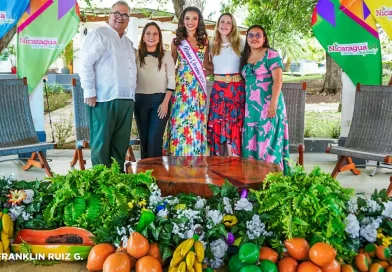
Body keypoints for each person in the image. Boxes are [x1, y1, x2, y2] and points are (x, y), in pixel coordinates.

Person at [79, 0, 136, 170]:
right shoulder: (99, 34)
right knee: (101, 144)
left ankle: (116, 183)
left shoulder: (128, 42)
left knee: (120, 145)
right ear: (109, 15)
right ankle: (100, 184)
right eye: (116, 13)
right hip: (103, 99)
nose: (120, 18)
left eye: (125, 15)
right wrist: (89, 92)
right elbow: (85, 64)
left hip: (126, 100)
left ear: (129, 19)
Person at [240, 25, 289, 174]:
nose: (254, 38)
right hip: (251, 110)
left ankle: (270, 182)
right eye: (251, 35)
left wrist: (273, 104)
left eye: (258, 35)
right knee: (252, 143)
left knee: (268, 144)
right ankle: (252, 182)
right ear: (247, 38)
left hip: (269, 107)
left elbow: (278, 80)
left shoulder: (271, 54)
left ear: (264, 38)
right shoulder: (245, 56)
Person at [163, 6, 210, 156]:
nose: (191, 22)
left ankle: (196, 160)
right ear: (182, 21)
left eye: (194, 18)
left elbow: (207, 66)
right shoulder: (177, 41)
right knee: (180, 122)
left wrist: (222, 71)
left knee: (196, 122)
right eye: (187, 18)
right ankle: (177, 157)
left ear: (199, 21)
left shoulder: (205, 41)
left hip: (197, 89)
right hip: (181, 88)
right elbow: (172, 66)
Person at [205, 13, 245, 156]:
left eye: (229, 22)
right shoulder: (211, 45)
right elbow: (208, 65)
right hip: (218, 90)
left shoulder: (241, 43)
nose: (225, 25)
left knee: (233, 124)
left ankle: (234, 163)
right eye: (222, 22)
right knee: (218, 125)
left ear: (233, 25)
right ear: (218, 24)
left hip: (236, 90)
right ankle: (219, 164)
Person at [134, 22, 175, 159]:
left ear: (159, 37)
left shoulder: (166, 56)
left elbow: (171, 80)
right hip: (140, 101)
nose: (151, 36)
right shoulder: (135, 55)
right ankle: (144, 176)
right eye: (148, 33)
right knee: (144, 141)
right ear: (143, 37)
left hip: (160, 101)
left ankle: (156, 176)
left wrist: (165, 103)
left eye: (155, 33)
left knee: (154, 141)